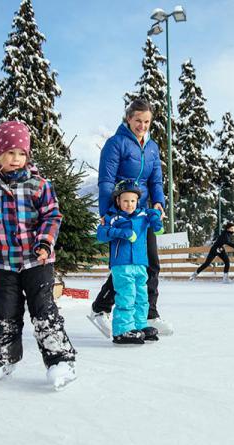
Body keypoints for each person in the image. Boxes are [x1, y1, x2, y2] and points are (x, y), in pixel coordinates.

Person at [0, 120, 76, 390]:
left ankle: (60, 360)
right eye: (10, 152)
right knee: (4, 313)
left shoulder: (39, 185)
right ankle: (2, 358)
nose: (16, 159)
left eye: (22, 153)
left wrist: (45, 243)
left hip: (37, 260)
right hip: (3, 263)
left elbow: (52, 216)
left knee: (44, 311)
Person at [88, 98, 173, 338]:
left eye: (147, 121)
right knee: (124, 265)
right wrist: (106, 213)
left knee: (149, 263)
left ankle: (148, 314)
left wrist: (158, 202)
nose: (142, 126)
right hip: (121, 211)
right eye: (138, 121)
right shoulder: (115, 144)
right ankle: (101, 308)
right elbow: (106, 180)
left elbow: (156, 180)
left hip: (142, 212)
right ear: (129, 119)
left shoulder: (153, 147)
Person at [96, 180, 164, 344]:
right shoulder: (112, 217)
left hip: (141, 263)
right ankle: (122, 329)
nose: (129, 204)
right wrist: (122, 233)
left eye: (133, 200)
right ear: (118, 201)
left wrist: (156, 221)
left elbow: (154, 213)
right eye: (125, 200)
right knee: (126, 295)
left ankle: (139, 325)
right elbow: (101, 234)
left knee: (141, 296)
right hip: (122, 264)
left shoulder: (142, 216)